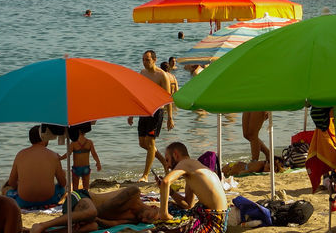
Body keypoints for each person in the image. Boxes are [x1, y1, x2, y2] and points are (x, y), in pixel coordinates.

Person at [156, 142, 228, 233]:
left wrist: (164, 214)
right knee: (171, 207)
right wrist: (171, 192)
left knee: (163, 225)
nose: (167, 165)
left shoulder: (185, 163)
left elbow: (166, 181)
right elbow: (188, 204)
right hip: (217, 218)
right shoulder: (192, 168)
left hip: (213, 222)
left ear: (175, 154)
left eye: (167, 160)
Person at [28, 186, 156, 233]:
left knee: (93, 227)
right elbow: (105, 208)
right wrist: (89, 216)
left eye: (145, 221)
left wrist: (95, 219)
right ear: (153, 207)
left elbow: (112, 224)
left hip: (84, 213)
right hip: (80, 197)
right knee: (92, 212)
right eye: (148, 216)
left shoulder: (134, 219)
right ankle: (42, 225)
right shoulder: (133, 193)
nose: (143, 219)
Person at [128, 50, 173, 181]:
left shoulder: (162, 75)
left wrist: (170, 118)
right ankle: (165, 162)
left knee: (150, 143)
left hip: (157, 112)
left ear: (154, 60)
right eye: (143, 60)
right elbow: (138, 94)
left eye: (147, 60)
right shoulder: (142, 73)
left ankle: (145, 175)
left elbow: (168, 98)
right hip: (144, 111)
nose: (145, 62)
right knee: (143, 143)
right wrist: (132, 113)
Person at [5, 126, 68, 209]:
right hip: (49, 200)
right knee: (61, 184)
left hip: (23, 202)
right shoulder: (53, 155)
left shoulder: (20, 154)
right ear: (44, 138)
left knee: (6, 190)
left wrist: (23, 186)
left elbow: (11, 182)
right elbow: (62, 183)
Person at [61, 125, 102, 191]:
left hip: (76, 168)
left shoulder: (73, 143)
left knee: (75, 188)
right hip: (86, 167)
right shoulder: (89, 142)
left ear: (77, 131)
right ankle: (85, 198)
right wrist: (98, 163)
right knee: (86, 188)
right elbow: (94, 154)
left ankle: (77, 199)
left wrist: (60, 158)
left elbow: (68, 154)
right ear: (85, 132)